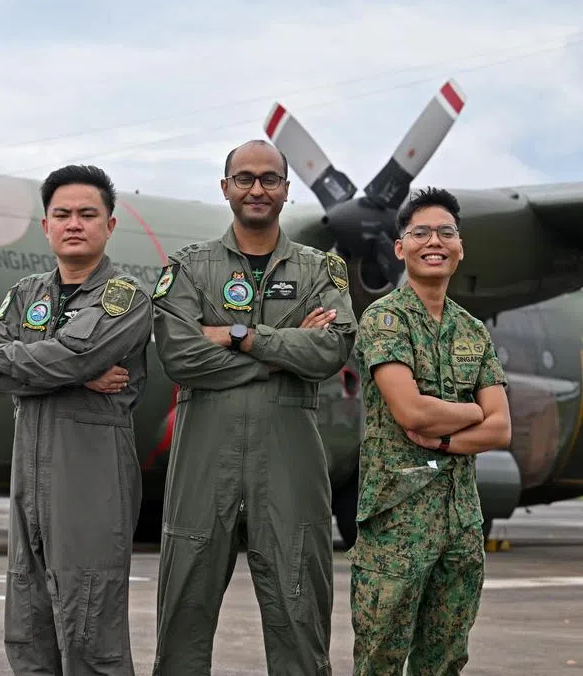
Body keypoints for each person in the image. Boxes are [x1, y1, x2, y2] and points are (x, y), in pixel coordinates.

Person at [149, 139, 357, 675]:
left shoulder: (319, 270)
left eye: (269, 179)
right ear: (226, 189)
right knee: (183, 613)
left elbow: (331, 350)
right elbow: (180, 354)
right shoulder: (189, 267)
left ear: (287, 190)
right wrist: (282, 352)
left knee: (299, 610)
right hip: (204, 458)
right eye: (244, 178)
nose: (257, 188)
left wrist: (238, 336)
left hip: (288, 458)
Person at [0, 164, 154, 675]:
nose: (74, 223)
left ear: (110, 225)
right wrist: (75, 372)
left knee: (89, 628)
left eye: (87, 214)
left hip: (90, 474)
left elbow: (74, 355)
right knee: (27, 627)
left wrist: (10, 359)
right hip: (28, 473)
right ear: (46, 226)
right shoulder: (27, 293)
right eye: (62, 214)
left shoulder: (125, 296)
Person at [349, 186, 511, 675]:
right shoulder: (384, 319)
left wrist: (446, 439)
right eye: (420, 232)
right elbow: (412, 412)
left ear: (460, 248)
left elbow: (501, 427)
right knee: (380, 655)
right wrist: (473, 412)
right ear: (400, 247)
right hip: (396, 522)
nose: (433, 241)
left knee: (445, 658)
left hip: (460, 522)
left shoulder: (472, 331)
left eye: (446, 232)